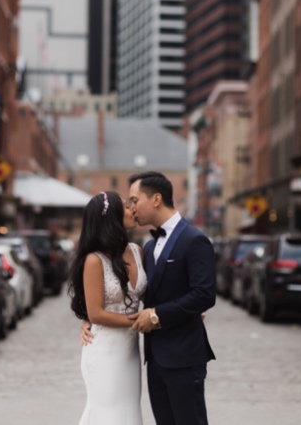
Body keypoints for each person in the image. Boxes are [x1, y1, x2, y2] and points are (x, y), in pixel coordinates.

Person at [83, 172, 218, 424]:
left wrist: (158, 316)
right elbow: (131, 294)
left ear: (156, 199)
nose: (132, 208)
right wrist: (89, 318)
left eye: (135, 200)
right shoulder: (146, 248)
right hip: (153, 358)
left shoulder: (194, 240)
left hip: (183, 355)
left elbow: (204, 294)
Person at [70, 191, 148, 424]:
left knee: (128, 412)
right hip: (104, 351)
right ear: (112, 217)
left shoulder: (137, 251)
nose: (132, 209)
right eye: (125, 207)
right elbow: (96, 313)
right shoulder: (94, 260)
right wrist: (141, 320)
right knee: (107, 414)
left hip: (130, 351)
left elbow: (153, 296)